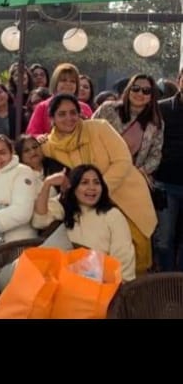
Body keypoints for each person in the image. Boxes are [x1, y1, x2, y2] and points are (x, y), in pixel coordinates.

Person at [40, 93, 157, 275]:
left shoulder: (99, 128)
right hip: (91, 205)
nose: (69, 118)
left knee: (135, 252)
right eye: (62, 114)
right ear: (52, 118)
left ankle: (134, 288)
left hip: (127, 196)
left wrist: (99, 189)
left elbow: (123, 160)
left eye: (73, 112)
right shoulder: (48, 146)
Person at [32, 164, 136, 282]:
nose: (92, 187)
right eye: (84, 183)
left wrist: (115, 285)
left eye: (96, 183)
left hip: (103, 283)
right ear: (73, 187)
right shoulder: (66, 208)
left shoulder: (113, 215)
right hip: (67, 280)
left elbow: (124, 259)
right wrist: (47, 184)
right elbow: (39, 221)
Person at [92, 73, 164, 185]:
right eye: (135, 88)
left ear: (152, 96)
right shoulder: (108, 109)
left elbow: (155, 156)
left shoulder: (155, 123)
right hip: (98, 172)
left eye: (146, 91)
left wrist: (139, 173)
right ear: (129, 90)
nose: (140, 93)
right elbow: (90, 134)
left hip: (130, 179)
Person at [153, 67, 183, 272]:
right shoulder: (161, 109)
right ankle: (165, 282)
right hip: (165, 184)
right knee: (164, 240)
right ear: (179, 80)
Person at [26, 63, 93, 135]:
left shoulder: (85, 108)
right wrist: (39, 137)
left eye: (72, 81)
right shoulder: (42, 107)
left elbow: (92, 134)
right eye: (63, 80)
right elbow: (31, 134)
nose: (68, 84)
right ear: (55, 83)